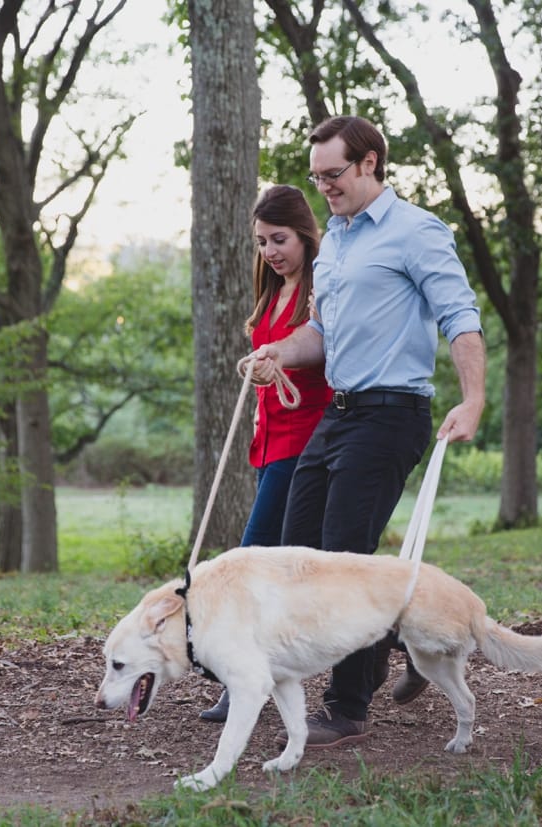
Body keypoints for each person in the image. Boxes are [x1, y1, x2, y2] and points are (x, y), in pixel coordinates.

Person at [248, 115, 486, 748]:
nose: (324, 186)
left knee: (346, 558)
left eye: (334, 174)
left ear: (370, 163)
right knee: (296, 552)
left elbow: (459, 315)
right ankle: (398, 645)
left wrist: (474, 398)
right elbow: (320, 336)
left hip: (393, 414)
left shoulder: (416, 231)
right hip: (340, 414)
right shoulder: (339, 241)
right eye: (316, 176)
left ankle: (348, 707)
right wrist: (278, 351)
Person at [200, 184, 333, 723]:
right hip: (268, 442)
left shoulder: (321, 287)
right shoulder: (271, 292)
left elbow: (325, 349)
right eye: (261, 243)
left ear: (304, 233)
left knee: (250, 562)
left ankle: (241, 681)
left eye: (279, 239)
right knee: (300, 571)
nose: (271, 251)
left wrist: (280, 358)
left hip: (304, 444)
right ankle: (398, 637)